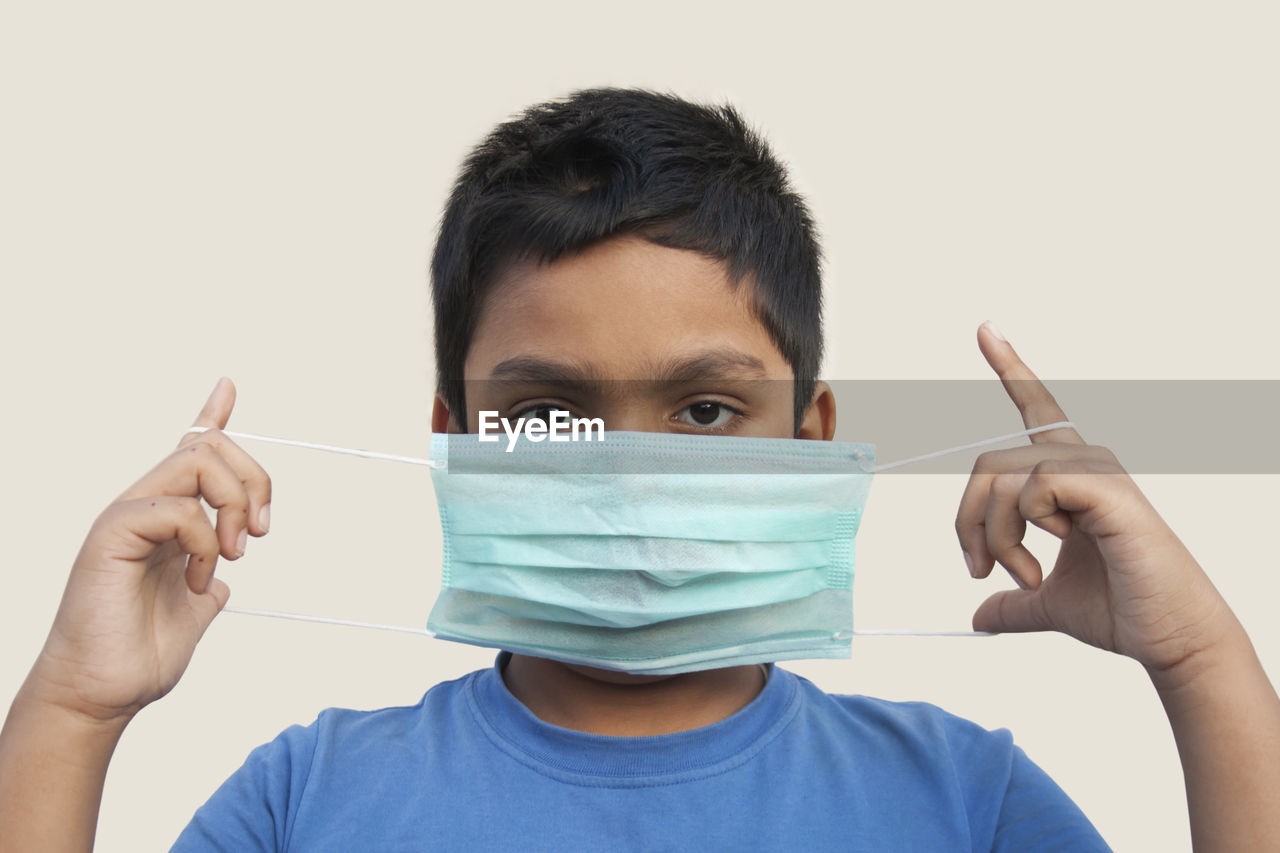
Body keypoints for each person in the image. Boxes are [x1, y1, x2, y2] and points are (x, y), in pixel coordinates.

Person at [1, 88, 1276, 851]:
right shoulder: (308, 794)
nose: (630, 473)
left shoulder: (962, 796)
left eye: (708, 408)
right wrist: (73, 706)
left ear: (811, 434)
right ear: (457, 438)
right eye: (548, 410)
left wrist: (1201, 660)